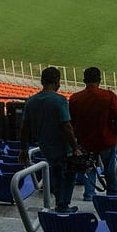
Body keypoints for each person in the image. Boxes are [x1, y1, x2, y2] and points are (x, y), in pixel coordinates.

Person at [18, 66, 81, 213]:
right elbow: (66, 126)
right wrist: (75, 148)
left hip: (45, 147)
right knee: (69, 174)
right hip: (63, 147)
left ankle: (60, 203)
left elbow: (24, 127)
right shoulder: (59, 100)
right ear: (56, 81)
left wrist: (23, 149)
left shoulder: (31, 101)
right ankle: (63, 205)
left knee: (57, 173)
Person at [69, 67, 117, 201]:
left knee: (89, 167)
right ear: (99, 80)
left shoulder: (75, 98)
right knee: (109, 167)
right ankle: (112, 193)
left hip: (86, 140)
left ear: (84, 80)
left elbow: (71, 122)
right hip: (106, 139)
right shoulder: (108, 96)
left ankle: (89, 194)